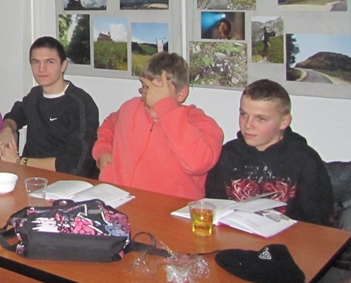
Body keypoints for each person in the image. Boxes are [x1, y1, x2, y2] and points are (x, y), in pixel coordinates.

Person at [92, 52, 223, 199]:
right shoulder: (131, 107)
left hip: (169, 209)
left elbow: (197, 164)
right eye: (146, 87)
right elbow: (108, 126)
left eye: (159, 91)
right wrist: (103, 151)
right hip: (119, 201)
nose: (150, 97)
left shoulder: (200, 123)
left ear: (181, 93)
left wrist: (166, 107)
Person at [205, 79, 333, 225]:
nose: (248, 125)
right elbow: (214, 206)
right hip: (234, 235)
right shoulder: (228, 155)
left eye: (261, 119)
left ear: (284, 122)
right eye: (243, 114)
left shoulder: (305, 160)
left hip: (288, 237)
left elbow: (319, 223)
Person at [0, 36, 99, 178]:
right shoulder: (34, 95)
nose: (41, 68)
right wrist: (7, 129)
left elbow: (75, 166)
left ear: (63, 65)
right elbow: (13, 117)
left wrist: (19, 161)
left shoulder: (81, 104)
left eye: (50, 62)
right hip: (31, 178)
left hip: (69, 182)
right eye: (35, 62)